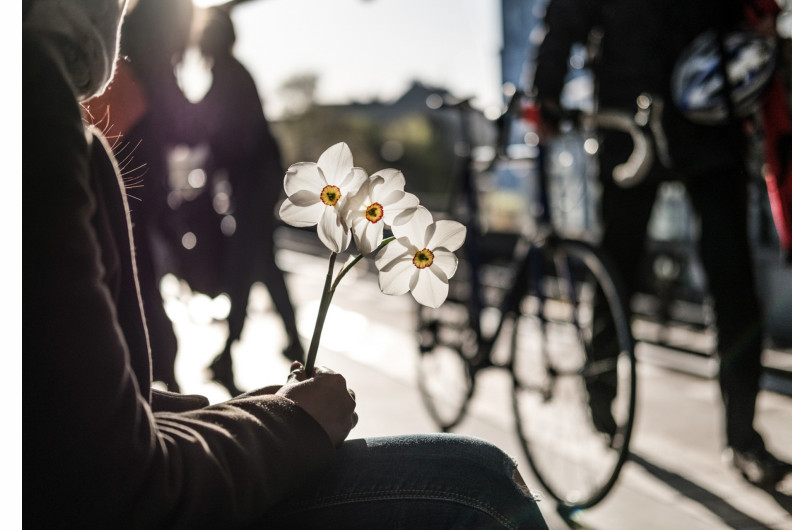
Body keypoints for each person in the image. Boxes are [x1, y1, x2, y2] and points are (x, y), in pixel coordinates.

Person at [22, 0, 549, 527]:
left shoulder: (52, 92)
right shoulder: (34, 97)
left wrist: (242, 415)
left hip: (247, 199)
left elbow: (77, 417)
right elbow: (112, 481)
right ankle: (256, 345)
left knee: (252, 278)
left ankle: (249, 346)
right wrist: (291, 423)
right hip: (146, 495)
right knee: (480, 487)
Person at [532, 0, 792, 487]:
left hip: (710, 121)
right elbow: (567, 15)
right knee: (616, 270)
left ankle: (743, 437)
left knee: (733, 284)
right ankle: (601, 390)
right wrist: (545, 93)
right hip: (630, 121)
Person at [83, 0, 200, 393]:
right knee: (141, 282)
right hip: (132, 172)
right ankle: (155, 379)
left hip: (101, 163)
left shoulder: (121, 40)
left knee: (124, 280)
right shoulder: (156, 51)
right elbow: (183, 124)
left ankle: (146, 376)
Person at [195, 7, 305, 397]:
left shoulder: (227, 74)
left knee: (245, 264)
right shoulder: (231, 72)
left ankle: (230, 350)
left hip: (253, 186)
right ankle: (292, 341)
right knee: (263, 265)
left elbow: (214, 129)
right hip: (257, 183)